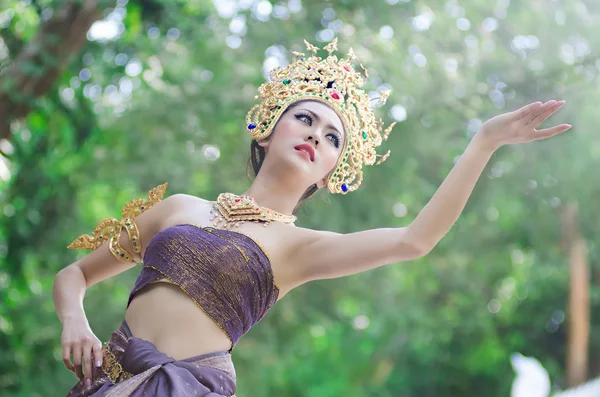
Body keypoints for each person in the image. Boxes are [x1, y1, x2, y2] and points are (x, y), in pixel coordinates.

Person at [53, 38, 571, 396]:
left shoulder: (299, 250)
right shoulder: (181, 208)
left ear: (330, 172)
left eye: (332, 138)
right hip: (107, 381)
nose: (316, 136)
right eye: (305, 118)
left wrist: (484, 142)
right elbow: (74, 275)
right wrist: (75, 320)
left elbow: (415, 240)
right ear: (267, 130)